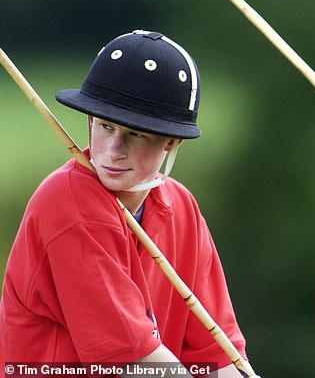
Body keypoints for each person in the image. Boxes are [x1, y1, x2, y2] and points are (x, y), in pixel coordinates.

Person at [0, 30, 248, 377]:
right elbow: (130, 361)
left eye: (136, 134)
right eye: (105, 127)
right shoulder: (68, 199)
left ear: (171, 143)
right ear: (89, 121)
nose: (114, 150)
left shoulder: (182, 207)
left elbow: (217, 357)